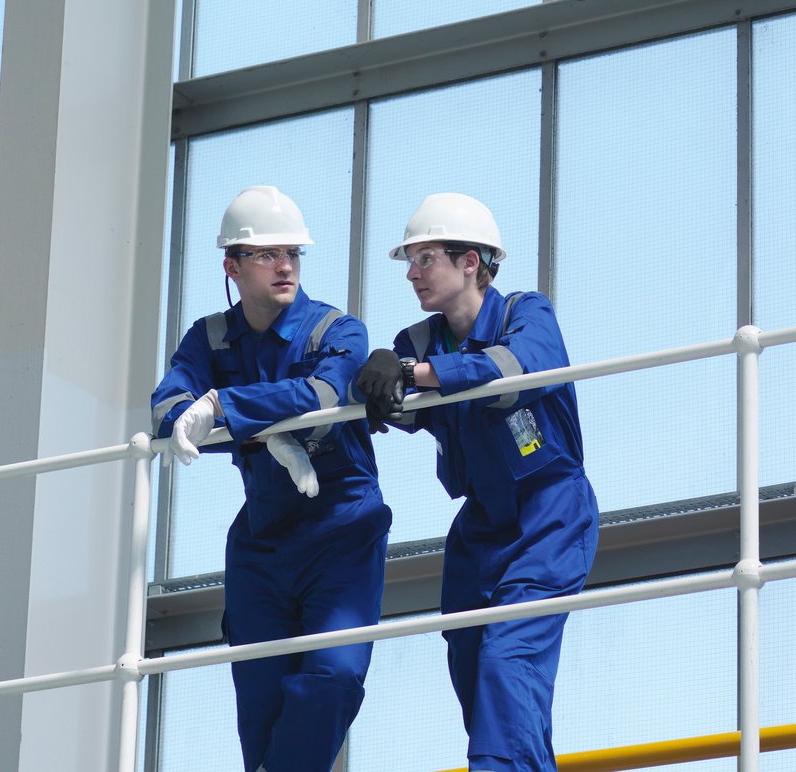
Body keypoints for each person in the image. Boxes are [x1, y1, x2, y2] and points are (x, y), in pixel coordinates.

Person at [352, 193, 599, 772]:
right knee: (472, 661)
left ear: (471, 262)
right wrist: (377, 382)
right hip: (480, 532)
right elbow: (403, 409)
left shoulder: (524, 312)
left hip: (550, 518)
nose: (412, 274)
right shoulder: (416, 343)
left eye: (425, 258)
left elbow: (522, 367)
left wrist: (419, 375)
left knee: (507, 659)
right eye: (409, 262)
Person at [150, 185, 386, 772]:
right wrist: (262, 428)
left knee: (333, 676)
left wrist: (226, 410)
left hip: (342, 529)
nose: (285, 266)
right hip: (262, 540)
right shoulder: (210, 338)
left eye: (293, 254)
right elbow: (165, 408)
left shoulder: (337, 330)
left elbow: (325, 393)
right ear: (231, 266)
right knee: (260, 706)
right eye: (266, 254)